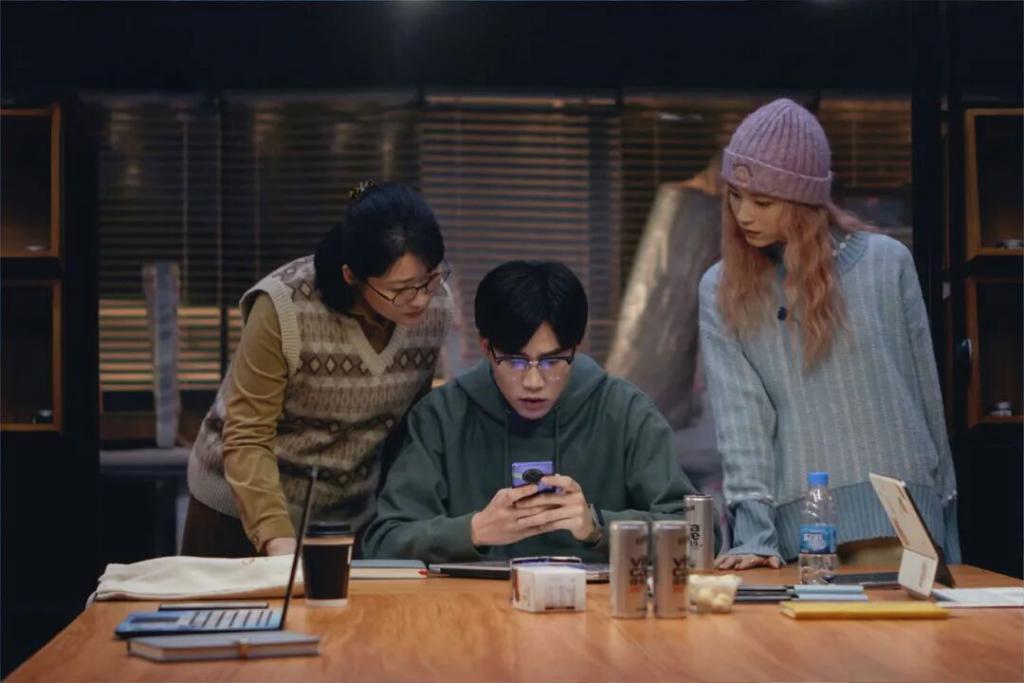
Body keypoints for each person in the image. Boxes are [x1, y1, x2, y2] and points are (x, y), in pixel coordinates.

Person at [698, 99, 959, 570]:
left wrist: (945, 521)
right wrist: (755, 535)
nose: (743, 214)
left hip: (906, 523)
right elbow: (742, 422)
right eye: (734, 196)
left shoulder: (887, 263)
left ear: (804, 203)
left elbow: (926, 402)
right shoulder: (723, 287)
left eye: (762, 201)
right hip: (806, 534)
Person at [363, 261, 709, 562]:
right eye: (515, 360)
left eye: (552, 361)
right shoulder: (441, 416)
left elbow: (699, 536)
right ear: (486, 347)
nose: (533, 382)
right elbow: (383, 543)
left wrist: (598, 527)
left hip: (596, 613)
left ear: (576, 347)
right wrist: (473, 531)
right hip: (470, 612)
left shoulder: (625, 412)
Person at [183, 181, 453, 558]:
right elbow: (247, 434)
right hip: (240, 510)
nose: (421, 299)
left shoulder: (435, 308)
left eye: (431, 279)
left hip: (349, 517)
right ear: (352, 276)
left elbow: (406, 426)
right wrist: (277, 542)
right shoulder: (285, 306)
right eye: (402, 289)